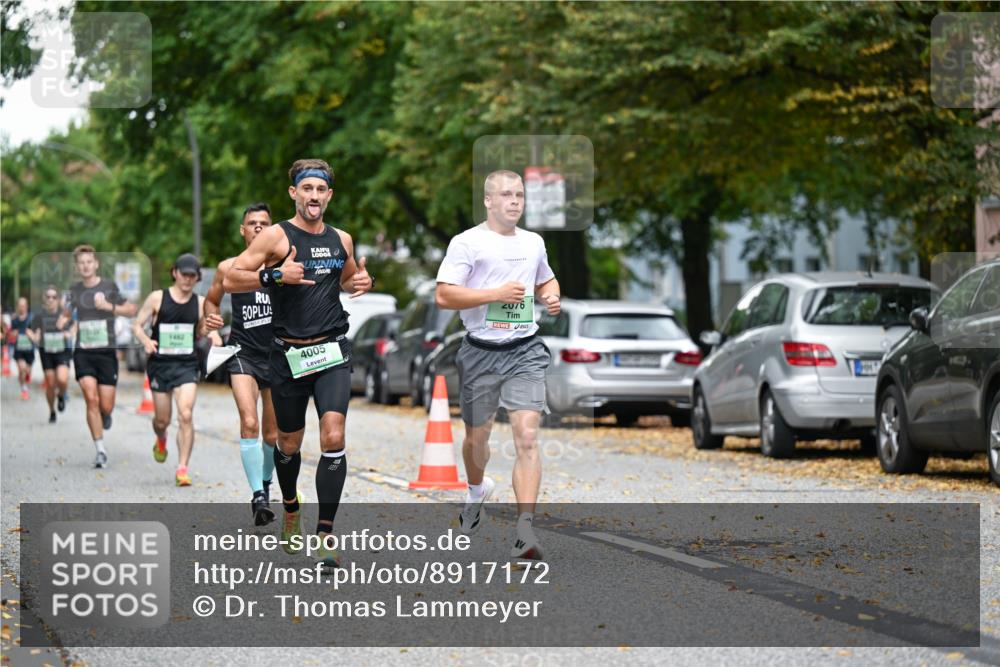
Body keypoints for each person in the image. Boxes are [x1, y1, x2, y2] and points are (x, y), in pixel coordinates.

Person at [224, 159, 372, 568]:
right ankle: (290, 505)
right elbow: (232, 277)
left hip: (331, 351)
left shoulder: (342, 239)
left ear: (329, 196)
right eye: (306, 189)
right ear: (294, 193)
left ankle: (325, 534)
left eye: (320, 190)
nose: (313, 196)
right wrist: (274, 277)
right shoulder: (275, 236)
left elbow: (345, 278)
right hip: (287, 355)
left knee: (333, 434)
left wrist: (362, 282)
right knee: (288, 444)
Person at [435, 169, 561, 560]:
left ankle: (525, 530)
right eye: (506, 195)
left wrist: (551, 296)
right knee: (478, 438)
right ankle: (475, 491)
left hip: (525, 349)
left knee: (526, 436)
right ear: (488, 201)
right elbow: (444, 296)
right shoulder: (467, 242)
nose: (515, 201)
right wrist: (495, 294)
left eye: (520, 195)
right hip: (480, 352)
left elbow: (546, 280)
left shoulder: (534, 242)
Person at [204, 203, 279, 525]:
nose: (259, 227)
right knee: (249, 422)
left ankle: (265, 482)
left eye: (264, 223)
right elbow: (211, 300)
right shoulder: (228, 267)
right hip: (243, 354)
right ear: (243, 230)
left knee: (273, 434)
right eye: (253, 223)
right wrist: (212, 322)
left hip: (278, 356)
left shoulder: (285, 266)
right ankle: (258, 496)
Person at [133, 253, 219, 486]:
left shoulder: (200, 303)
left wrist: (215, 336)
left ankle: (182, 468)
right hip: (160, 365)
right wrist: (146, 341)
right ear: (174, 273)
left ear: (197, 278)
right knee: (162, 420)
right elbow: (137, 325)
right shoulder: (157, 298)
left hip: (187, 365)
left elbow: (206, 328)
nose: (188, 280)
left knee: (186, 414)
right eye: (184, 274)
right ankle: (161, 438)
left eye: (192, 276)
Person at [64, 245, 138, 468]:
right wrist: (66, 323)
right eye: (81, 263)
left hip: (106, 353)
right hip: (83, 352)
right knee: (91, 399)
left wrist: (108, 305)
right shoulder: (74, 290)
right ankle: (100, 450)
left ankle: (106, 415)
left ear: (96, 264)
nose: (86, 266)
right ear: (77, 267)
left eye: (89, 262)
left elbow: (132, 309)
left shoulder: (109, 286)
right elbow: (66, 315)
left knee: (106, 404)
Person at [27, 286, 72, 422]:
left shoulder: (64, 314)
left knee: (63, 379)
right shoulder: (39, 315)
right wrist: (34, 337)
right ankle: (52, 411)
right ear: (44, 299)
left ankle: (62, 395)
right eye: (48, 297)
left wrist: (68, 334)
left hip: (62, 352)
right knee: (51, 383)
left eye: (54, 297)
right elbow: (29, 330)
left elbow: (74, 327)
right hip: (46, 353)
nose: (51, 300)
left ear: (58, 299)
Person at [10, 297, 35, 400]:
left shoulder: (31, 318)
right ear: (17, 306)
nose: (22, 307)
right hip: (19, 349)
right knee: (22, 368)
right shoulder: (14, 319)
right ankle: (24, 389)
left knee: (26, 371)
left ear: (27, 306)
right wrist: (13, 334)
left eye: (23, 305)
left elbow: (36, 334)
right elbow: (10, 335)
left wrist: (31, 335)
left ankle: (26, 378)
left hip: (29, 349)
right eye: (20, 305)